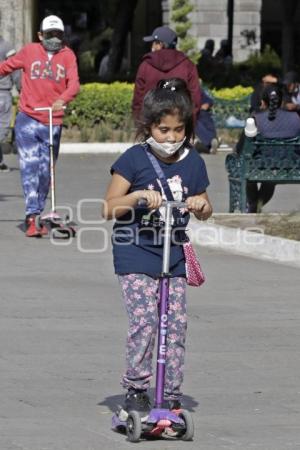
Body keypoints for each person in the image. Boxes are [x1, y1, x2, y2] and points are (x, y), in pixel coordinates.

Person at [103, 78, 212, 419]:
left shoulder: (193, 163)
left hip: (173, 255)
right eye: (163, 129)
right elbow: (108, 208)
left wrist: (199, 204)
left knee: (175, 325)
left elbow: (208, 210)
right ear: (149, 127)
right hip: (135, 251)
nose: (171, 138)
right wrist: (136, 197)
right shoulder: (134, 159)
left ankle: (169, 394)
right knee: (146, 322)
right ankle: (136, 389)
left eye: (178, 130)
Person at [0, 15, 80, 237]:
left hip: (52, 121)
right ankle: (31, 215)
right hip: (27, 119)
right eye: (50, 34)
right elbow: (6, 67)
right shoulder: (29, 51)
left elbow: (74, 84)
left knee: (45, 170)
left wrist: (62, 99)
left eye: (59, 35)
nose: (55, 38)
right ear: (40, 35)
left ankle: (41, 211)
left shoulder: (67, 56)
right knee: (29, 166)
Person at [244, 84, 300, 212]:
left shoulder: (256, 118)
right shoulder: (296, 117)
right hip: (291, 165)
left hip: (263, 165)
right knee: (270, 175)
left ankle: (253, 206)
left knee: (246, 167)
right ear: (282, 101)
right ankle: (255, 206)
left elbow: (244, 146)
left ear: (263, 102)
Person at [132, 26, 201, 121]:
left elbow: (138, 98)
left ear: (160, 44)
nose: (151, 46)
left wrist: (139, 122)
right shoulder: (188, 65)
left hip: (151, 123)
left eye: (153, 43)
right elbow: (195, 98)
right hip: (179, 123)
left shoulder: (145, 65)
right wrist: (190, 123)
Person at [0, 38, 21, 172]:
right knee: (2, 127)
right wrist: (21, 88)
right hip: (2, 93)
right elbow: (15, 69)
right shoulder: (6, 46)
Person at [194, 88, 218, 153]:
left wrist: (207, 103)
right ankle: (211, 141)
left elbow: (209, 100)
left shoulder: (197, 90)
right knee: (194, 122)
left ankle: (211, 142)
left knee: (205, 116)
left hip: (200, 111)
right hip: (188, 114)